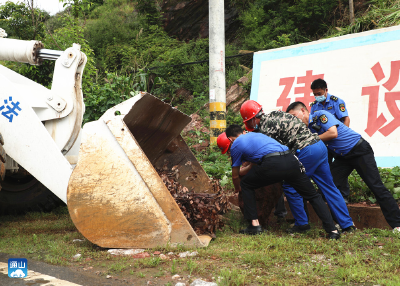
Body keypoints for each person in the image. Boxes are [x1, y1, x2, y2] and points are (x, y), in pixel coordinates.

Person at [241, 100, 355, 234]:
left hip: (306, 151)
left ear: (253, 119)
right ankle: (347, 224)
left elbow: (271, 154)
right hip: (319, 146)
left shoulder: (266, 127)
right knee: (329, 186)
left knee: (291, 184)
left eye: (249, 121)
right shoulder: (277, 115)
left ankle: (302, 223)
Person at [287, 101, 400, 233]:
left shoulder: (320, 115)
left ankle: (397, 224)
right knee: (328, 187)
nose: (294, 120)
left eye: (294, 116)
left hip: (359, 150)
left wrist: (312, 139)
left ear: (303, 110)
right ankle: (345, 224)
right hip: (342, 157)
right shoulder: (306, 130)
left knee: (376, 186)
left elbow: (332, 133)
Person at [217, 125, 340, 239]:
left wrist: (238, 188)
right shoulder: (256, 136)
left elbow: (235, 175)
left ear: (230, 139)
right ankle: (332, 230)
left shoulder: (236, 144)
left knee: (246, 184)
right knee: (312, 195)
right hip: (291, 160)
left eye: (228, 148)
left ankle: (254, 225)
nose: (230, 151)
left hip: (273, 164)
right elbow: (251, 166)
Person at [310, 78, 351, 201]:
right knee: (325, 167)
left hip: (337, 140)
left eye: (319, 93)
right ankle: (325, 194)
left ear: (326, 90)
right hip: (324, 140)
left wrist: (343, 137)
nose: (317, 96)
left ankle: (344, 194)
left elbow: (346, 119)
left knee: (340, 166)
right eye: (315, 94)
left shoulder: (337, 102)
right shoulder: (314, 106)